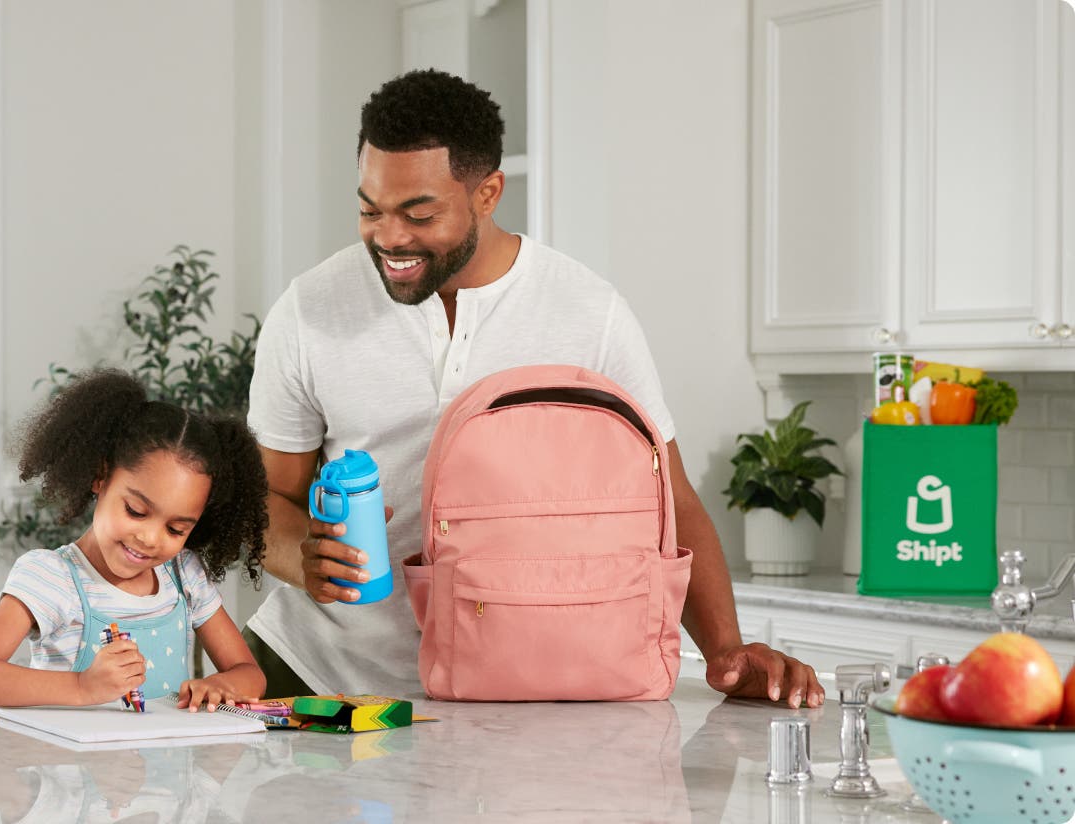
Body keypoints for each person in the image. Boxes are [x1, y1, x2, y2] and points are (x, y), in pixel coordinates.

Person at [245, 69, 824, 709]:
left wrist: (725, 653)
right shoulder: (309, 310)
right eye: (369, 210)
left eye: (420, 213)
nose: (390, 238)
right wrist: (304, 559)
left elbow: (670, 500)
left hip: (519, 687)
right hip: (326, 676)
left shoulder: (588, 313)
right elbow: (267, 494)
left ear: (488, 192)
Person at [0, 369, 269, 710]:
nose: (149, 538)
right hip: (69, 761)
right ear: (101, 478)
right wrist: (81, 686)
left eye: (176, 530)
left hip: (171, 760)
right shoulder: (53, 578)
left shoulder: (184, 576)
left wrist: (222, 684)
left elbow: (250, 674)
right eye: (135, 510)